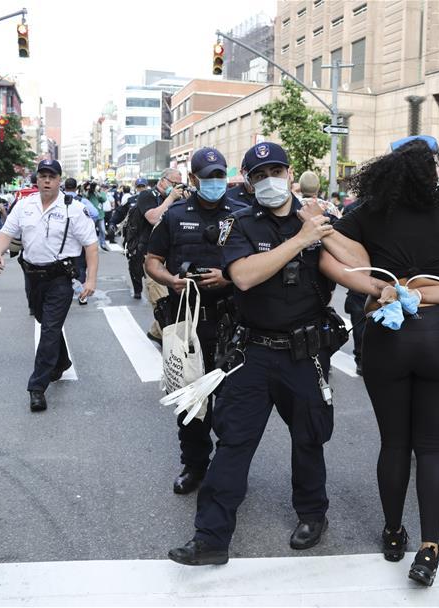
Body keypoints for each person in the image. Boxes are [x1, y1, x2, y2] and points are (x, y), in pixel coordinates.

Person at [315, 136, 439, 586]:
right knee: (433, 448)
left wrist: (374, 288)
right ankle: (430, 548)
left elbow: (327, 261)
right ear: (433, 174)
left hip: (386, 333)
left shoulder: (368, 215)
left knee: (394, 443)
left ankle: (393, 533)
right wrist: (433, 288)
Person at [168, 142, 340, 566]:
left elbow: (357, 267)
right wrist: (302, 239)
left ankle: (312, 514)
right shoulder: (239, 223)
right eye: (258, 175)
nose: (268, 180)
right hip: (253, 351)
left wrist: (325, 229)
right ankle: (210, 538)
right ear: (246, 180)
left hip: (305, 352)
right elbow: (243, 276)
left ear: (290, 171)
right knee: (233, 443)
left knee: (309, 438)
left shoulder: (319, 218)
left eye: (274, 171)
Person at [146, 148, 247, 495]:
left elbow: (256, 266)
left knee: (232, 403)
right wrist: (170, 280)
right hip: (187, 322)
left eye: (220, 176)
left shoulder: (241, 214)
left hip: (232, 322)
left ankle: (227, 468)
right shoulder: (174, 216)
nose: (215, 182)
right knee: (190, 401)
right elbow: (153, 260)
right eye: (208, 176)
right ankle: (194, 465)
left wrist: (228, 277)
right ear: (193, 180)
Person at [0, 160, 98, 412]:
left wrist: (90, 279)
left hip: (60, 278)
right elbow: (6, 233)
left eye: (52, 176)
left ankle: (37, 387)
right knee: (44, 320)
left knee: (49, 329)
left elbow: (91, 246)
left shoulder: (74, 209)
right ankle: (61, 361)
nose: (47, 180)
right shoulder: (24, 206)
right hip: (32, 277)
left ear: (60, 180)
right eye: (43, 176)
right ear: (36, 180)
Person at [137, 169, 187, 341]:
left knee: (174, 301)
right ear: (162, 181)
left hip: (173, 257)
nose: (176, 187)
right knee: (162, 302)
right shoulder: (147, 195)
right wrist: (171, 198)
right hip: (153, 258)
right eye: (173, 183)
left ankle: (156, 331)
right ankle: (171, 342)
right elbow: (153, 218)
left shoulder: (180, 198)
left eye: (179, 184)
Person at [111, 177, 149, 299]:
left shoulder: (154, 199)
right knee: (134, 266)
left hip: (150, 237)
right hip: (134, 238)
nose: (141, 189)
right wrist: (112, 223)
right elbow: (120, 212)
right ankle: (137, 290)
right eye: (139, 187)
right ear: (136, 188)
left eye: (143, 186)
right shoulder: (131, 201)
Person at [64, 178, 99, 305]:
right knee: (80, 267)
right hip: (79, 240)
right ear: (76, 188)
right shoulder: (82, 201)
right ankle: (82, 295)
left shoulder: (58, 200)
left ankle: (64, 293)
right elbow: (95, 214)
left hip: (62, 241)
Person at [85, 180, 109, 252]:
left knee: (102, 230)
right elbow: (85, 197)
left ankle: (103, 244)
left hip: (100, 215)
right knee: (91, 231)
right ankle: (91, 245)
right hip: (91, 215)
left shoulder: (101, 193)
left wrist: (96, 192)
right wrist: (89, 189)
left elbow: (104, 199)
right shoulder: (89, 193)